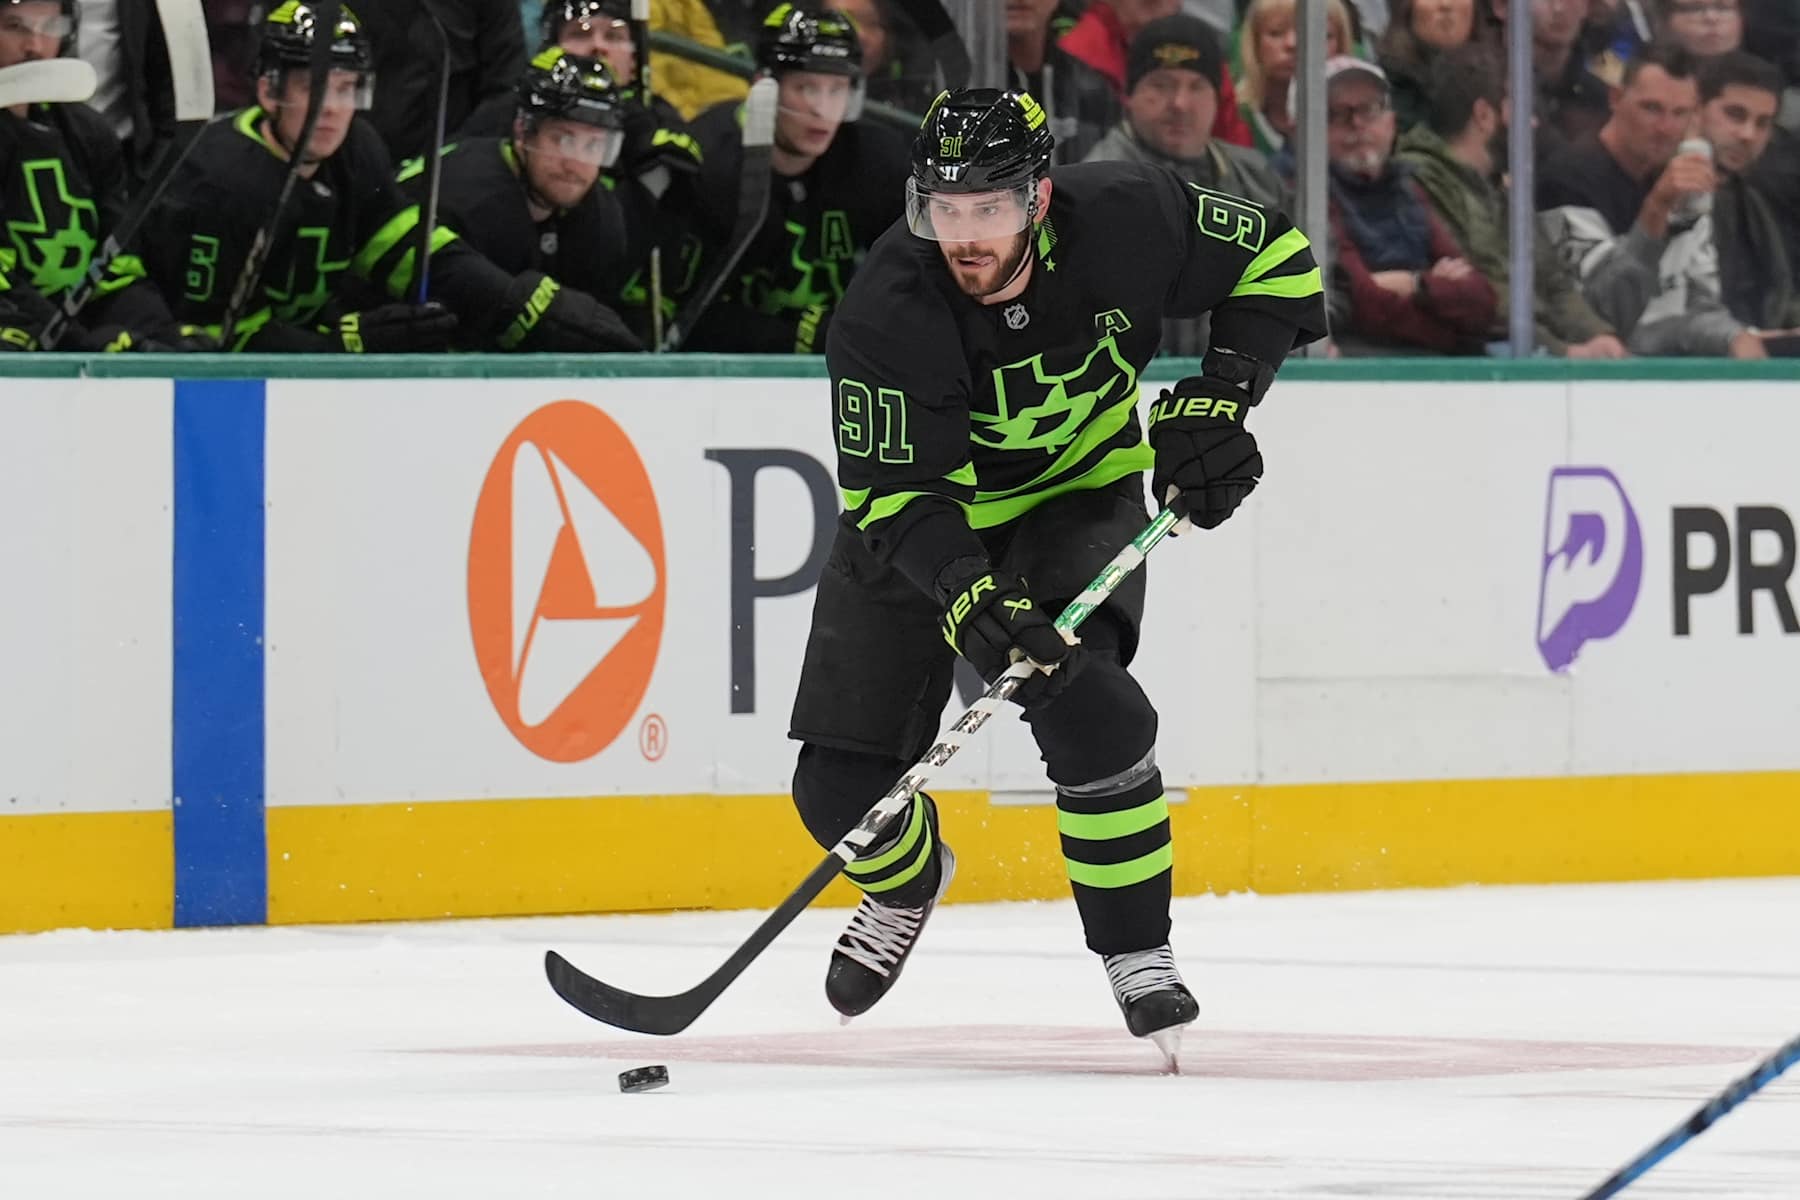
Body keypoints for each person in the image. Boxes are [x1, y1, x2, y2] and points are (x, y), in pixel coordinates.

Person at [786, 87, 1326, 1058]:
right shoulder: (885, 309)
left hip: (1077, 491)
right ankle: (908, 880)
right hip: (931, 522)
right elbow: (896, 501)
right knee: (834, 794)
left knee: (1089, 703)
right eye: (944, 210)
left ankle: (1138, 955)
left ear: (1037, 199)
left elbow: (1278, 259)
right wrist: (969, 599)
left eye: (988, 209)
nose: (964, 236)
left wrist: (1220, 400)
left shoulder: (1130, 214)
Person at [142, 1, 641, 352]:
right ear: (270, 91)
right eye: (315, 89)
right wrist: (342, 345)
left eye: (346, 89)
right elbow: (210, 343)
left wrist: (519, 302)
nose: (333, 111)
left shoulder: (357, 150)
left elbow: (413, 249)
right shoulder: (221, 177)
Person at [684, 3, 908, 352]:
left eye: (837, 90)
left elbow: (916, 275)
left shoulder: (878, 160)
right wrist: (799, 337)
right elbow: (688, 315)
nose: (822, 109)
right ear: (763, 86)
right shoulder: (706, 160)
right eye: (806, 88)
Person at [1395, 43, 1625, 354]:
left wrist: (1600, 338)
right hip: (1484, 362)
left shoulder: (1503, 188)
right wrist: (1564, 353)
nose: (1532, 123)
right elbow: (1484, 298)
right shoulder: (1420, 180)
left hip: (1540, 352)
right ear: (1484, 115)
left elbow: (1553, 282)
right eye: (1520, 109)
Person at [1538, 42, 1762, 356]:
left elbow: (1702, 302)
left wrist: (1735, 337)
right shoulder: (1567, 180)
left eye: (1680, 113)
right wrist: (1656, 210)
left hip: (1673, 359)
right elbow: (1603, 318)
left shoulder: (1684, 173)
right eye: (1652, 108)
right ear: (1616, 99)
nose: (1666, 128)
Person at [0, 0, 200, 349]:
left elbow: (114, 268)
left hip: (61, 323)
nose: (34, 46)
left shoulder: (90, 131)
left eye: (50, 29)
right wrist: (79, 343)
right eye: (15, 27)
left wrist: (159, 334)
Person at [400, 49, 639, 333]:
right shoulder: (461, 199)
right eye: (562, 139)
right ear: (522, 131)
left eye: (594, 146)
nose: (576, 163)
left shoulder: (602, 217)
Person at [1321, 56, 1497, 354]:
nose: (1358, 124)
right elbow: (1364, 304)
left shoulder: (1408, 188)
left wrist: (1417, 285)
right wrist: (1451, 329)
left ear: (1391, 123)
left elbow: (1481, 297)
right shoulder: (1308, 196)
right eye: (1338, 114)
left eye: (1369, 109)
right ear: (1304, 128)